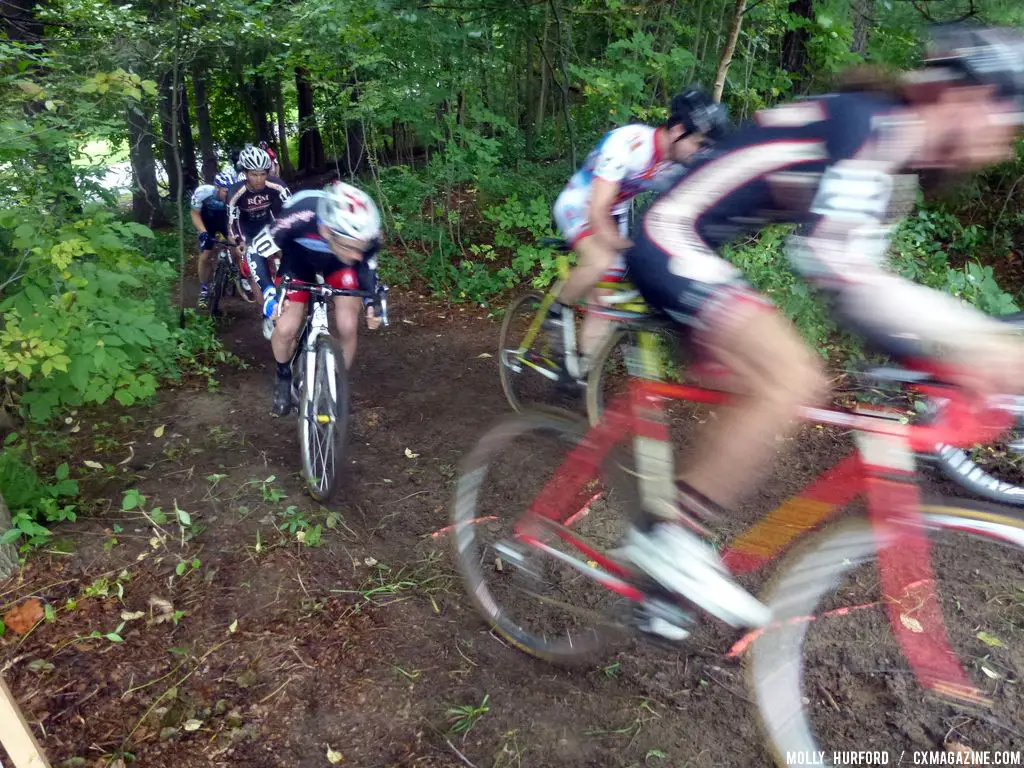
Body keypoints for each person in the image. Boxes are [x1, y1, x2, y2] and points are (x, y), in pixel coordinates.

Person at [616, 24, 1024, 633]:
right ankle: (669, 540)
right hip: (671, 235)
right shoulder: (867, 127)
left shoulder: (892, 158)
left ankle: (660, 585)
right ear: (962, 97)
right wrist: (974, 344)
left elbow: (862, 292)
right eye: (1006, 120)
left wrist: (939, 360)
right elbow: (837, 270)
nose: (1003, 146)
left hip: (701, 245)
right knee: (790, 376)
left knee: (768, 389)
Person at [547, 86, 729, 377]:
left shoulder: (675, 166)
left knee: (604, 301)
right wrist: (628, 248)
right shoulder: (629, 143)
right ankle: (556, 311)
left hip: (614, 212)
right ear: (678, 130)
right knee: (601, 261)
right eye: (699, 143)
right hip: (581, 203)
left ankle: (578, 371)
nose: (700, 152)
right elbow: (597, 210)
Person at [258, 182, 384, 416]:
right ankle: (283, 377)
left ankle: (336, 387)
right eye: (350, 246)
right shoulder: (298, 216)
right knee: (286, 328)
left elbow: (366, 267)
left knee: (348, 324)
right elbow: (255, 251)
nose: (357, 254)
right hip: (298, 259)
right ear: (327, 230)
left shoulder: (368, 234)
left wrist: (371, 302)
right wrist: (268, 294)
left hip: (338, 265)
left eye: (360, 247)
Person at [227, 145, 291, 294]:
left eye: (262, 174)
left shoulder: (277, 185)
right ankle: (264, 309)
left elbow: (292, 210)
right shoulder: (235, 192)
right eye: (254, 175)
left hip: (267, 223)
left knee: (288, 250)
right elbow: (232, 223)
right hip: (245, 228)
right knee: (252, 266)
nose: (259, 179)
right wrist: (239, 241)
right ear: (245, 173)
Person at [190, 170, 237, 308]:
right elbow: (195, 214)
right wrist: (203, 232)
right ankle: (204, 289)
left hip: (225, 221)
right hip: (207, 222)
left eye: (231, 190)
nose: (229, 194)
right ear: (217, 188)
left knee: (235, 245)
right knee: (205, 255)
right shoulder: (203, 192)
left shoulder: (235, 195)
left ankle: (234, 268)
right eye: (225, 191)